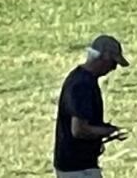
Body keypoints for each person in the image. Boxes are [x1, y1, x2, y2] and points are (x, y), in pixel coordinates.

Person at [54, 35, 129, 175]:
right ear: (104, 57)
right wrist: (109, 131)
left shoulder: (80, 78)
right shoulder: (82, 85)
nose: (113, 69)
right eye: (113, 63)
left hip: (74, 166)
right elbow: (79, 130)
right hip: (79, 169)